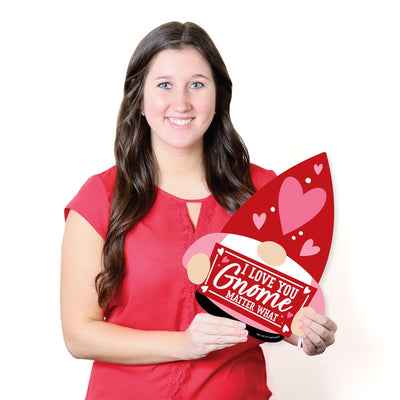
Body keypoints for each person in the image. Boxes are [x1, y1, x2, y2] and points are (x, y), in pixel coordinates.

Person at [61, 21, 337, 400]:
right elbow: (79, 334)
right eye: (164, 85)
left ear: (218, 96)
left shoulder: (264, 191)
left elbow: (274, 308)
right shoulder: (101, 197)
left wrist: (304, 332)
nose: (181, 103)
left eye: (197, 84)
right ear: (138, 98)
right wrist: (183, 344)